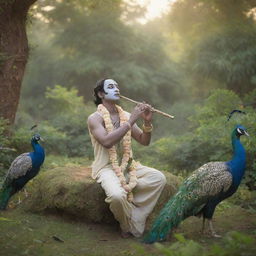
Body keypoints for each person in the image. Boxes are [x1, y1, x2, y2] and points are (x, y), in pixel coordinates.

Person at [87, 78, 166, 238]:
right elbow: (107, 142)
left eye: (117, 86)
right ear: (101, 94)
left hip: (129, 165)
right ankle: (126, 225)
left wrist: (147, 122)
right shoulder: (95, 118)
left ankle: (137, 215)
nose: (116, 89)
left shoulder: (126, 116)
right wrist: (131, 120)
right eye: (111, 87)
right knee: (117, 196)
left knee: (159, 178)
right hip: (106, 168)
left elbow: (144, 141)